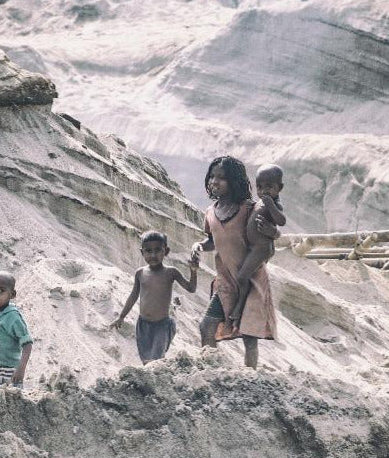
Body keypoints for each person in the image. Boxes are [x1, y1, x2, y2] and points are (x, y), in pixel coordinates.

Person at [192, 156, 279, 368]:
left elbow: (266, 242)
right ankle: (211, 370)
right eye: (212, 176)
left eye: (222, 178)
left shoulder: (249, 209)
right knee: (207, 326)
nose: (215, 181)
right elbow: (213, 240)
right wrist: (199, 246)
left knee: (249, 336)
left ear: (235, 181)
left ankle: (250, 377)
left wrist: (274, 232)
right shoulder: (210, 213)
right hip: (226, 282)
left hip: (251, 280)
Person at [110, 231, 199, 364]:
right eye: (148, 251)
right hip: (143, 325)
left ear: (166, 251)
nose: (153, 255)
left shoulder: (171, 272)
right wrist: (121, 317)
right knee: (146, 361)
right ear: (142, 252)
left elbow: (191, 288)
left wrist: (193, 271)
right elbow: (133, 296)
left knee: (156, 362)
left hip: (162, 326)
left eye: (158, 250)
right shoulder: (140, 273)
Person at [225, 165, 287, 335]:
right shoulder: (259, 201)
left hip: (261, 248)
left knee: (243, 276)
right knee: (243, 276)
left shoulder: (274, 203)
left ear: (279, 188)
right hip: (253, 247)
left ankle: (239, 308)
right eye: (260, 187)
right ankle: (241, 306)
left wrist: (271, 206)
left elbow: (281, 221)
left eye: (269, 187)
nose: (263, 191)